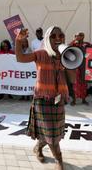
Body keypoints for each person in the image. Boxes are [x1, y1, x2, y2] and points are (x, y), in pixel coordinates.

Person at [15, 26, 68, 170]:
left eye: (60, 35)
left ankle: (38, 148)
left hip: (58, 99)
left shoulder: (66, 55)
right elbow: (20, 58)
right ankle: (59, 160)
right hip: (42, 99)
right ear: (47, 38)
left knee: (53, 132)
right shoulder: (41, 53)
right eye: (53, 36)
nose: (58, 38)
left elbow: (73, 79)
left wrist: (70, 61)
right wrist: (19, 41)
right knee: (51, 132)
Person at [68, 32, 90, 105]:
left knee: (84, 84)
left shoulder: (86, 44)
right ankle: (74, 100)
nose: (77, 37)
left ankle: (84, 99)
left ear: (83, 36)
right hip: (75, 66)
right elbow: (67, 49)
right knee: (75, 84)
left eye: (80, 35)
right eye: (76, 35)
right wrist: (74, 40)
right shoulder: (73, 44)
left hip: (84, 66)